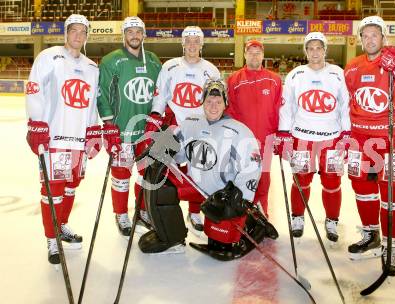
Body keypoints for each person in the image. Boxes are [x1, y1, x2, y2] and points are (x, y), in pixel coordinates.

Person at [138, 80, 277, 258]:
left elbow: (253, 166)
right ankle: (171, 237)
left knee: (220, 245)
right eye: (209, 101)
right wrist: (163, 145)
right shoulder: (191, 123)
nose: (213, 106)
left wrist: (240, 197)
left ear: (225, 104)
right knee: (158, 185)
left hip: (222, 195)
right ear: (202, 102)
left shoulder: (239, 131)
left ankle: (253, 222)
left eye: (218, 102)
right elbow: (178, 151)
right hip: (195, 185)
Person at [344, 16, 395, 275]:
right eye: (365, 35)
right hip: (361, 139)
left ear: (383, 38)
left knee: (393, 194)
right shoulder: (353, 66)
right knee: (362, 188)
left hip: (394, 139)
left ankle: (391, 246)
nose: (369, 40)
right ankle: (371, 234)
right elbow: (349, 103)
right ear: (360, 39)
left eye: (374, 35)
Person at [25, 14, 100, 264]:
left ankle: (62, 225)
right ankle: (51, 238)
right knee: (52, 190)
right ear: (66, 32)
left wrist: (93, 130)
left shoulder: (91, 67)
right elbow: (34, 89)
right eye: (74, 30)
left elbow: (90, 105)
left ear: (87, 36)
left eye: (83, 32)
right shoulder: (49, 57)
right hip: (55, 139)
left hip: (78, 140)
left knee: (71, 186)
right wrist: (37, 123)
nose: (78, 35)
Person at [275, 32, 350, 244]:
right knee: (301, 179)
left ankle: (332, 220)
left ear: (325, 50)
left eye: (319, 48)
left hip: (332, 138)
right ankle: (297, 217)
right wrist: (283, 134)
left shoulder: (337, 73)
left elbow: (345, 105)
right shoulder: (295, 75)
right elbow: (287, 106)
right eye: (311, 48)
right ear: (305, 52)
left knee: (332, 181)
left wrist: (346, 134)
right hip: (302, 137)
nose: (315, 52)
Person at [149, 26, 221, 234]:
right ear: (182, 43)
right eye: (188, 41)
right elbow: (161, 94)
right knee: (163, 172)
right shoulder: (170, 66)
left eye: (196, 41)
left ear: (201, 44)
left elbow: (215, 100)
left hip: (199, 129)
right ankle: (164, 213)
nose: (192, 45)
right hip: (172, 128)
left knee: (198, 172)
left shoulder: (211, 70)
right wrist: (155, 116)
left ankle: (195, 211)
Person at [97, 16, 162, 237]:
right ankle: (121, 214)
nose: (134, 36)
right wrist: (108, 125)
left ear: (144, 35)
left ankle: (142, 211)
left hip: (147, 132)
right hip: (122, 130)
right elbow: (102, 94)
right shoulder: (110, 61)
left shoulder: (153, 60)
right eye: (130, 32)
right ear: (124, 35)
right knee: (121, 175)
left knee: (146, 175)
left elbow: (160, 94)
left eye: (138, 31)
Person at [226, 40, 282, 217]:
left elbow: (280, 110)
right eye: (251, 52)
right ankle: (242, 215)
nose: (254, 55)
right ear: (244, 54)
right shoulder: (234, 79)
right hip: (243, 141)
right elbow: (230, 110)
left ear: (263, 55)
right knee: (242, 178)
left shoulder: (274, 80)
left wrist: (280, 135)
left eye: (258, 52)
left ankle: (261, 215)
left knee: (263, 180)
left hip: (266, 140)